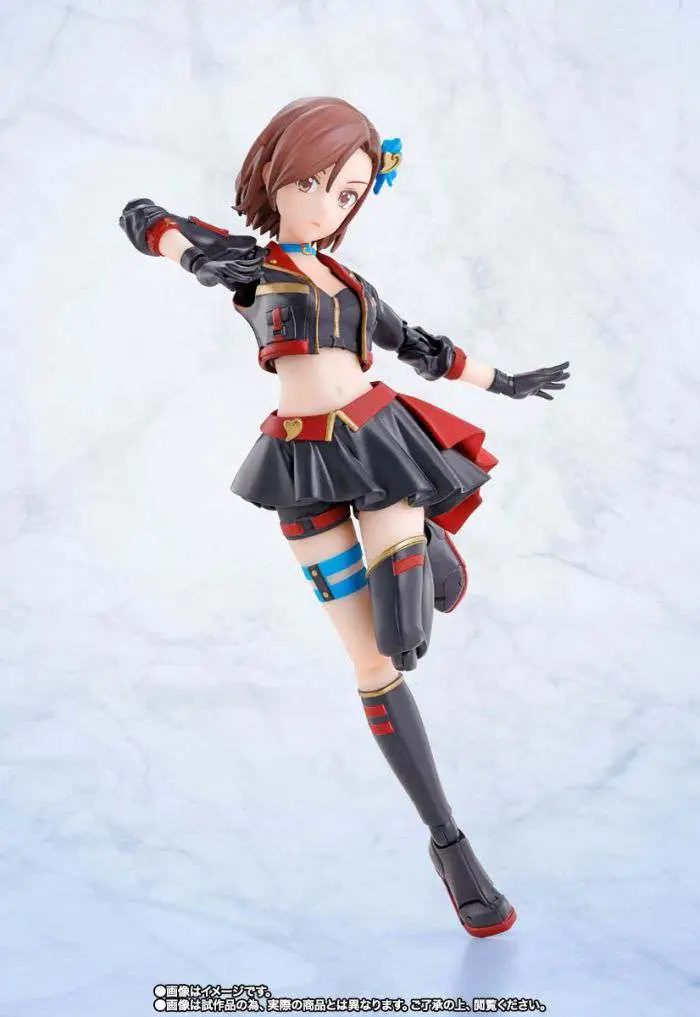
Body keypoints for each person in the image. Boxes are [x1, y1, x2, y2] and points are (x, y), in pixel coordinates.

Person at [119, 96, 570, 937]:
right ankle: (450, 845)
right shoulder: (250, 264)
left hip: (376, 445)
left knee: (406, 627)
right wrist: (193, 254)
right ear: (277, 176)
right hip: (298, 467)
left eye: (349, 192)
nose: (328, 204)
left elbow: (423, 347)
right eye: (314, 183)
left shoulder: (356, 285)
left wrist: (506, 382)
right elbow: (141, 216)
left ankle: (425, 538)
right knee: (374, 662)